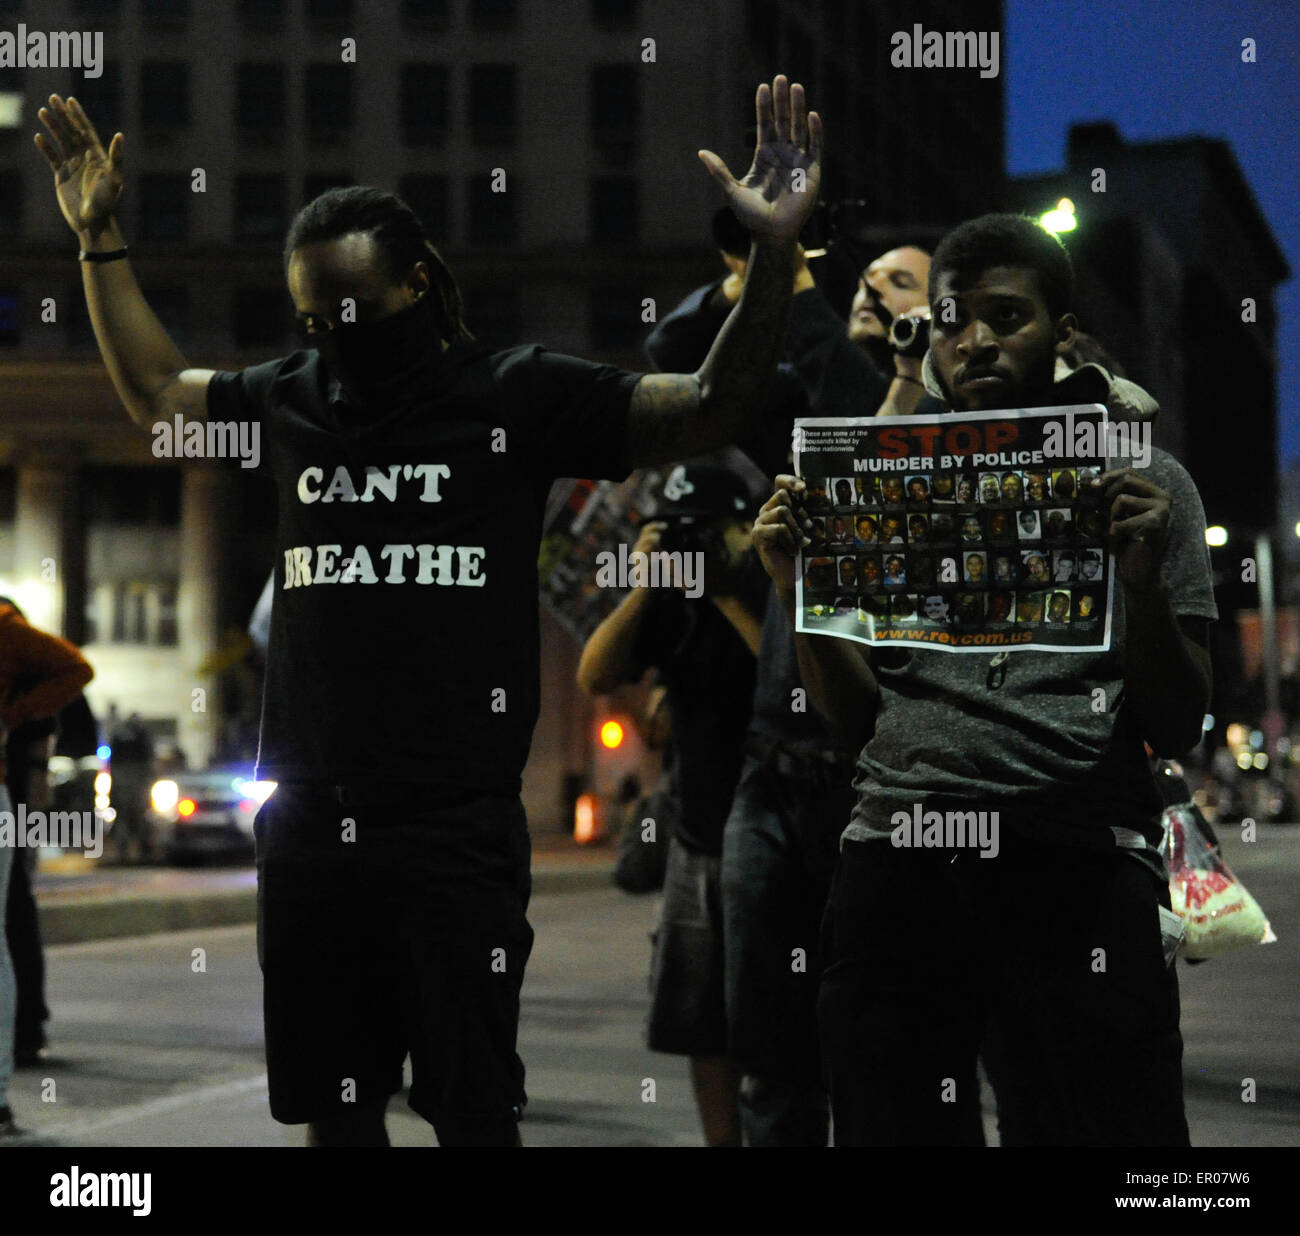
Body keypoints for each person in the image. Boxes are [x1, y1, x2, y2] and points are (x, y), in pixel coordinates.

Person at [37, 76, 823, 1147]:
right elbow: (156, 393)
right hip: (311, 827)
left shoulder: (515, 394)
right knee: (335, 1112)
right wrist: (100, 240)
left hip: (453, 829)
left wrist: (775, 252)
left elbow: (709, 405)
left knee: (471, 1110)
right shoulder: (294, 399)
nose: (332, 338)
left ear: (416, 283)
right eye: (312, 318)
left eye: (351, 314)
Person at [752, 212, 1213, 1147]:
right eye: (955, 318)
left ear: (1064, 334)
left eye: (1008, 317)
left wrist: (1140, 586)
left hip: (1076, 850)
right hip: (899, 847)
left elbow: (1183, 718)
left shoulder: (1149, 485)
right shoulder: (886, 488)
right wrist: (799, 586)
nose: (976, 340)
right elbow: (852, 716)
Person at [576, 464, 767, 1148]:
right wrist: (643, 590)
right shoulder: (667, 605)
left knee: (775, 1022)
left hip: (776, 829)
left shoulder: (771, 581)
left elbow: (788, 678)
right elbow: (595, 674)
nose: (693, 547)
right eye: (677, 533)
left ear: (745, 527)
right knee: (701, 1024)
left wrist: (724, 591)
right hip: (698, 833)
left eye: (706, 532)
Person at [0, 599, 94, 1140]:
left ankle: (27, 1030)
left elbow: (72, 674)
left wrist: (12, 719)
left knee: (13, 909)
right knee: (12, 912)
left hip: (12, 789)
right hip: (12, 791)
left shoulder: (9, 631)